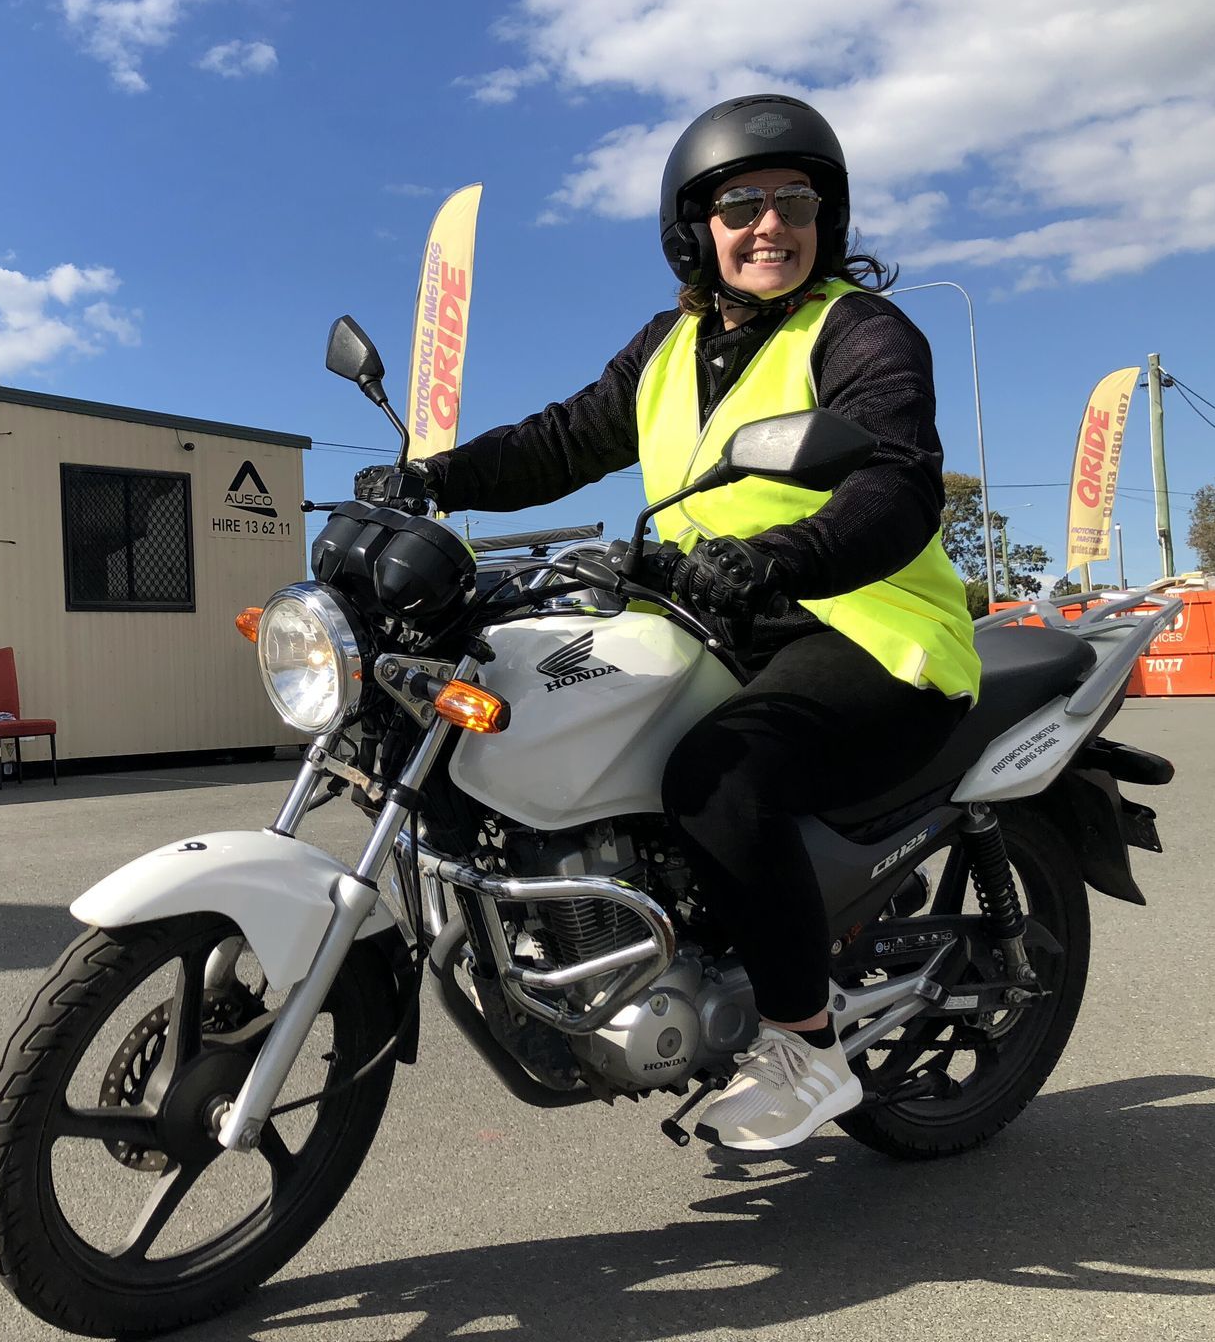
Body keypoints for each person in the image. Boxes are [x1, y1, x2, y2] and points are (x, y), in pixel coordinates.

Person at [358, 94, 981, 1151]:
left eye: (795, 201)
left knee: (718, 777)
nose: (770, 226)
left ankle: (804, 1043)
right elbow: (565, 439)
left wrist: (776, 558)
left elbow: (894, 481)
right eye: (742, 206)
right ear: (695, 229)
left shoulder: (863, 332)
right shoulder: (671, 341)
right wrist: (430, 479)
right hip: (712, 628)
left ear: (828, 217)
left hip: (869, 632)